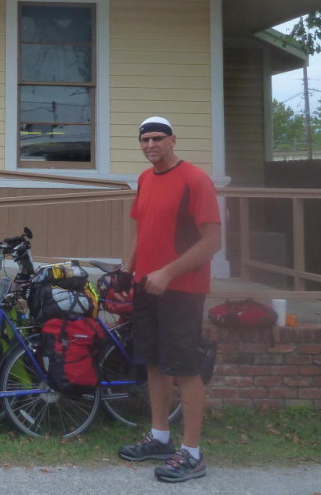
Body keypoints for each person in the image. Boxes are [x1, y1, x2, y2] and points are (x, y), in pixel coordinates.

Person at [118, 116, 222, 483]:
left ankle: (193, 453)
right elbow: (142, 230)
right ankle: (160, 437)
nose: (150, 145)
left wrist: (167, 273)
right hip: (147, 286)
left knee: (185, 367)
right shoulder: (145, 179)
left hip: (182, 289)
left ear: (173, 140)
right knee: (154, 363)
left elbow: (212, 242)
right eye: (144, 139)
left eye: (157, 138)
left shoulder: (195, 180)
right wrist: (127, 270)